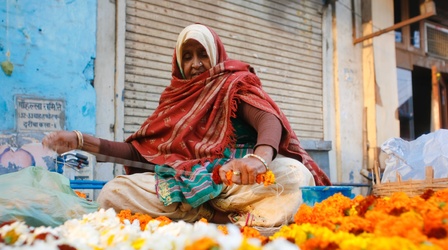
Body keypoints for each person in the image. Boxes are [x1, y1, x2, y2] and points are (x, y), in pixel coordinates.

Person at [43, 24, 331, 230]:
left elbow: (268, 119)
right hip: (180, 185)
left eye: (202, 54)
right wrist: (81, 141)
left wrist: (259, 158)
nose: (195, 64)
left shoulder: (233, 83)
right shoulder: (173, 100)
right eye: (188, 56)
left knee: (295, 175)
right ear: (179, 61)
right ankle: (211, 215)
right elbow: (141, 154)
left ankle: (207, 214)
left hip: (235, 183)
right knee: (112, 192)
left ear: (215, 55)